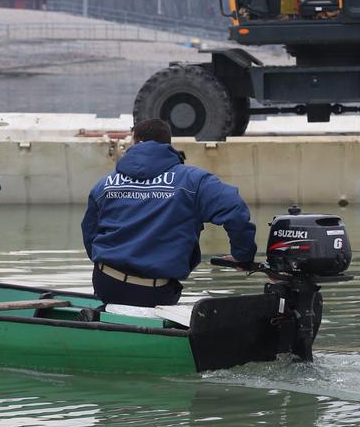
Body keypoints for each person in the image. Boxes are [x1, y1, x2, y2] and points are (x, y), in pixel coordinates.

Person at [82, 117, 256, 307]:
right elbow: (235, 210)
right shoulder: (194, 181)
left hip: (107, 284)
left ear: (135, 141)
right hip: (155, 292)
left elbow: (90, 232)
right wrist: (243, 255)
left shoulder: (105, 185)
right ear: (167, 144)